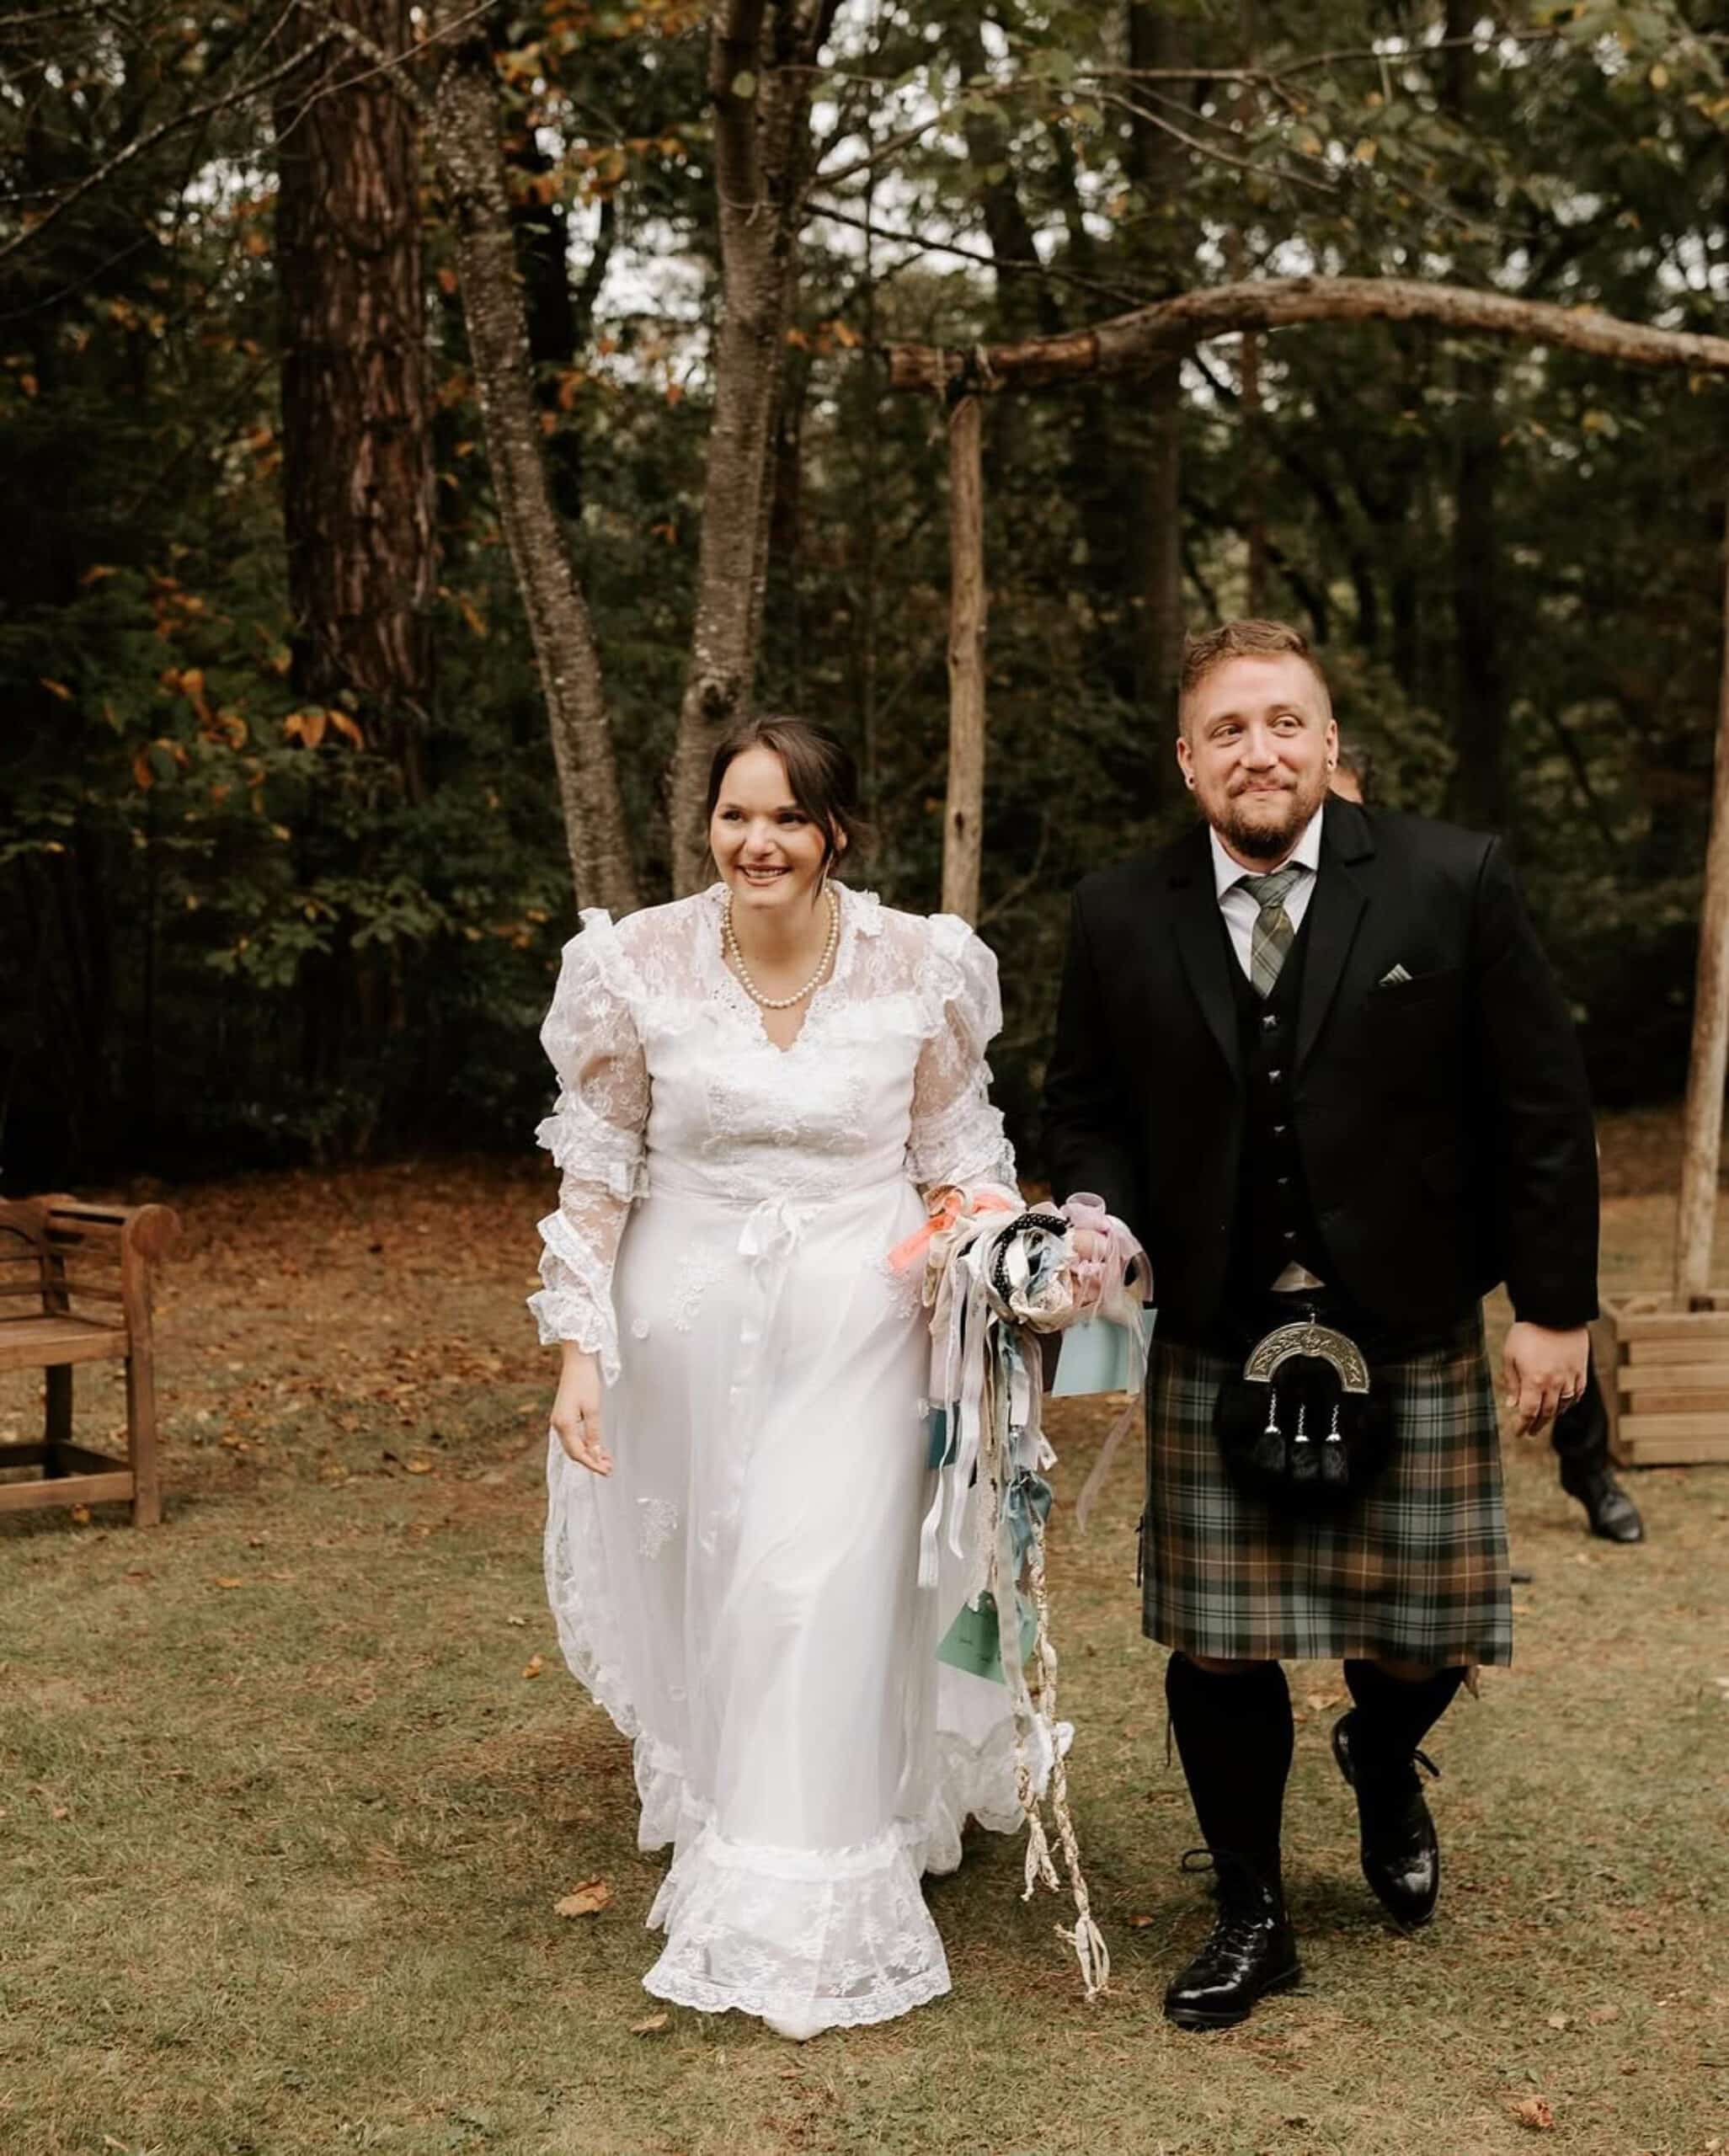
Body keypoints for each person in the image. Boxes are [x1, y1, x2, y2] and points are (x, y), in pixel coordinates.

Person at [1043, 618, 1599, 2030]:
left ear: (1328, 740)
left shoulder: (1445, 879)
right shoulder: (1119, 912)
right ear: (1185, 760)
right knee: (1218, 1640)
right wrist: (1095, 1214)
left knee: (1419, 1634)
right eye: (1225, 729)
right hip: (1219, 1327)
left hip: (1404, 1315)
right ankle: (1251, 1912)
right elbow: (1085, 1106)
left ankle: (1375, 1747)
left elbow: (1536, 1111)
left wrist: (1548, 1311)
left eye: (1282, 722)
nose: (1257, 750)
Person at [531, 718, 1027, 2040]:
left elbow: (955, 1150)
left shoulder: (923, 964)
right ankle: (732, 1810)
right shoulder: (629, 963)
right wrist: (581, 1349)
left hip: (864, 1325)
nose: (758, 843)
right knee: (721, 1579)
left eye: (787, 820)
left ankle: (798, 1887)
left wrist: (1001, 1253)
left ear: (834, 835)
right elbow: (599, 1168)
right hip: (684, 1327)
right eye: (736, 816)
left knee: (813, 1580)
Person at [1331, 744, 1641, 1543]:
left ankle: (1591, 1469)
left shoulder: (1435, 885)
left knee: (1543, 1305)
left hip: (1483, 1158)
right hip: (1395, 1186)